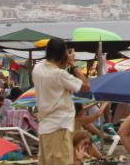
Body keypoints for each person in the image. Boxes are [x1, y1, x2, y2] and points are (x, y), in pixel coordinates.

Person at [34, 37, 91, 165]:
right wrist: (72, 64)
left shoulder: (37, 69)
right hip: (59, 127)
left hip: (44, 128)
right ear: (62, 56)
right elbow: (86, 86)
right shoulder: (59, 75)